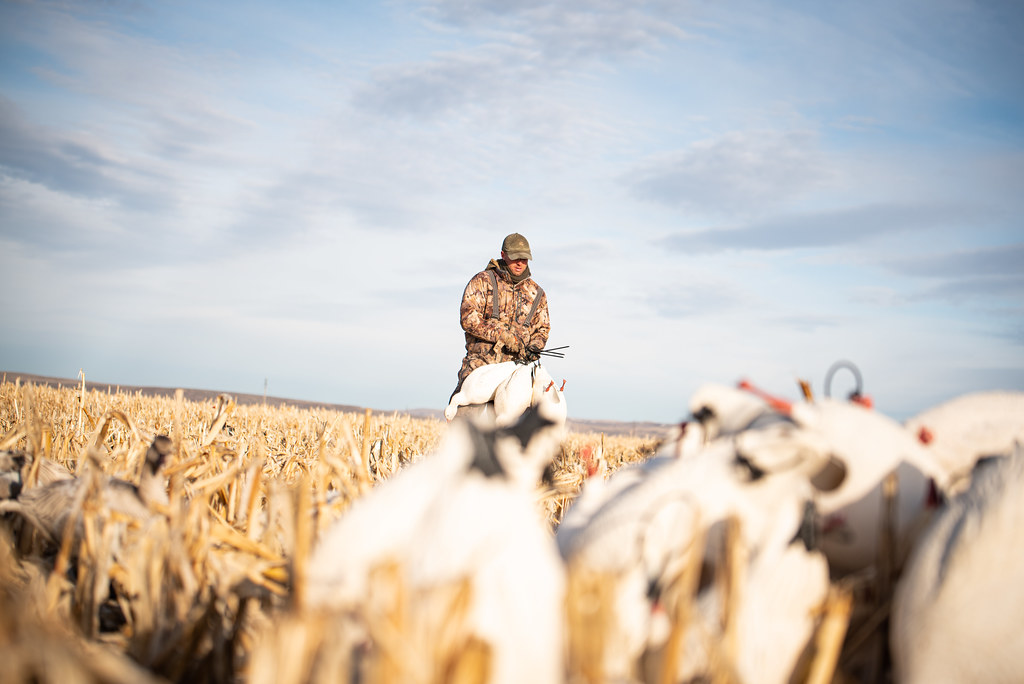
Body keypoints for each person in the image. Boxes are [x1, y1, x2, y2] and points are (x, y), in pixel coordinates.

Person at [451, 233, 550, 417]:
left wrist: (535, 348)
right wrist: (503, 336)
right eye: (514, 257)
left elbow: (542, 330)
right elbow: (468, 318)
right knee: (464, 421)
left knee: (534, 421)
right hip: (480, 365)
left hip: (516, 371)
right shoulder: (482, 281)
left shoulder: (537, 293)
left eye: (524, 258)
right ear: (503, 255)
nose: (520, 263)